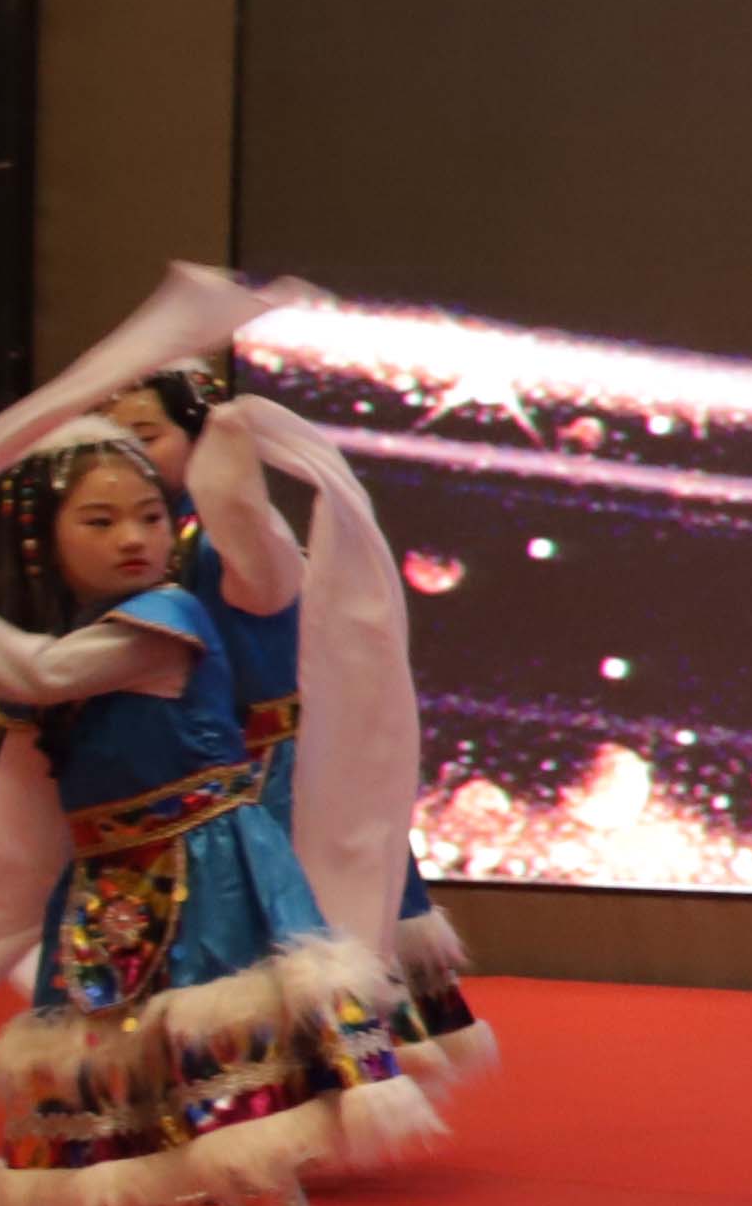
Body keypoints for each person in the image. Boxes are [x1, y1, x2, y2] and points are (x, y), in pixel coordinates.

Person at [0, 435, 432, 1206]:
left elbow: (35, 672)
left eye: (150, 516)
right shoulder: (79, 648)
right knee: (80, 1077)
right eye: (100, 520)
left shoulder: (165, 619)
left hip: (210, 871)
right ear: (44, 539)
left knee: (231, 1076)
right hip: (105, 886)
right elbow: (27, 807)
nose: (133, 537)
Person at [111, 358, 491, 1082]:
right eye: (115, 439)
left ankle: (303, 1090)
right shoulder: (159, 548)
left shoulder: (220, 541)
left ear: (201, 436)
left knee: (285, 932)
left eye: (146, 435)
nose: (128, 455)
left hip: (272, 773)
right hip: (231, 767)